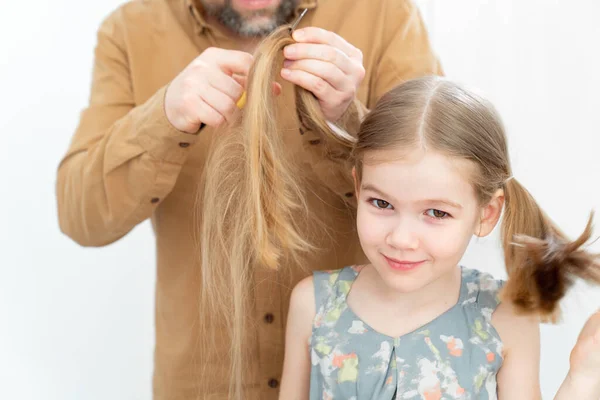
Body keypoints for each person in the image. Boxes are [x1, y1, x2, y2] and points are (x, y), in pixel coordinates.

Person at [55, 0, 442, 399]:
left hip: (362, 379)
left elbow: (444, 197)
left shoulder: (385, 14)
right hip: (203, 383)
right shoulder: (129, 30)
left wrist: (346, 123)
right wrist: (163, 118)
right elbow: (81, 217)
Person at [279, 76, 600, 399]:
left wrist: (583, 378)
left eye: (436, 213)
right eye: (381, 203)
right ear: (359, 188)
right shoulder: (314, 304)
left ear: (486, 214)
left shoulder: (505, 318)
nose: (402, 239)